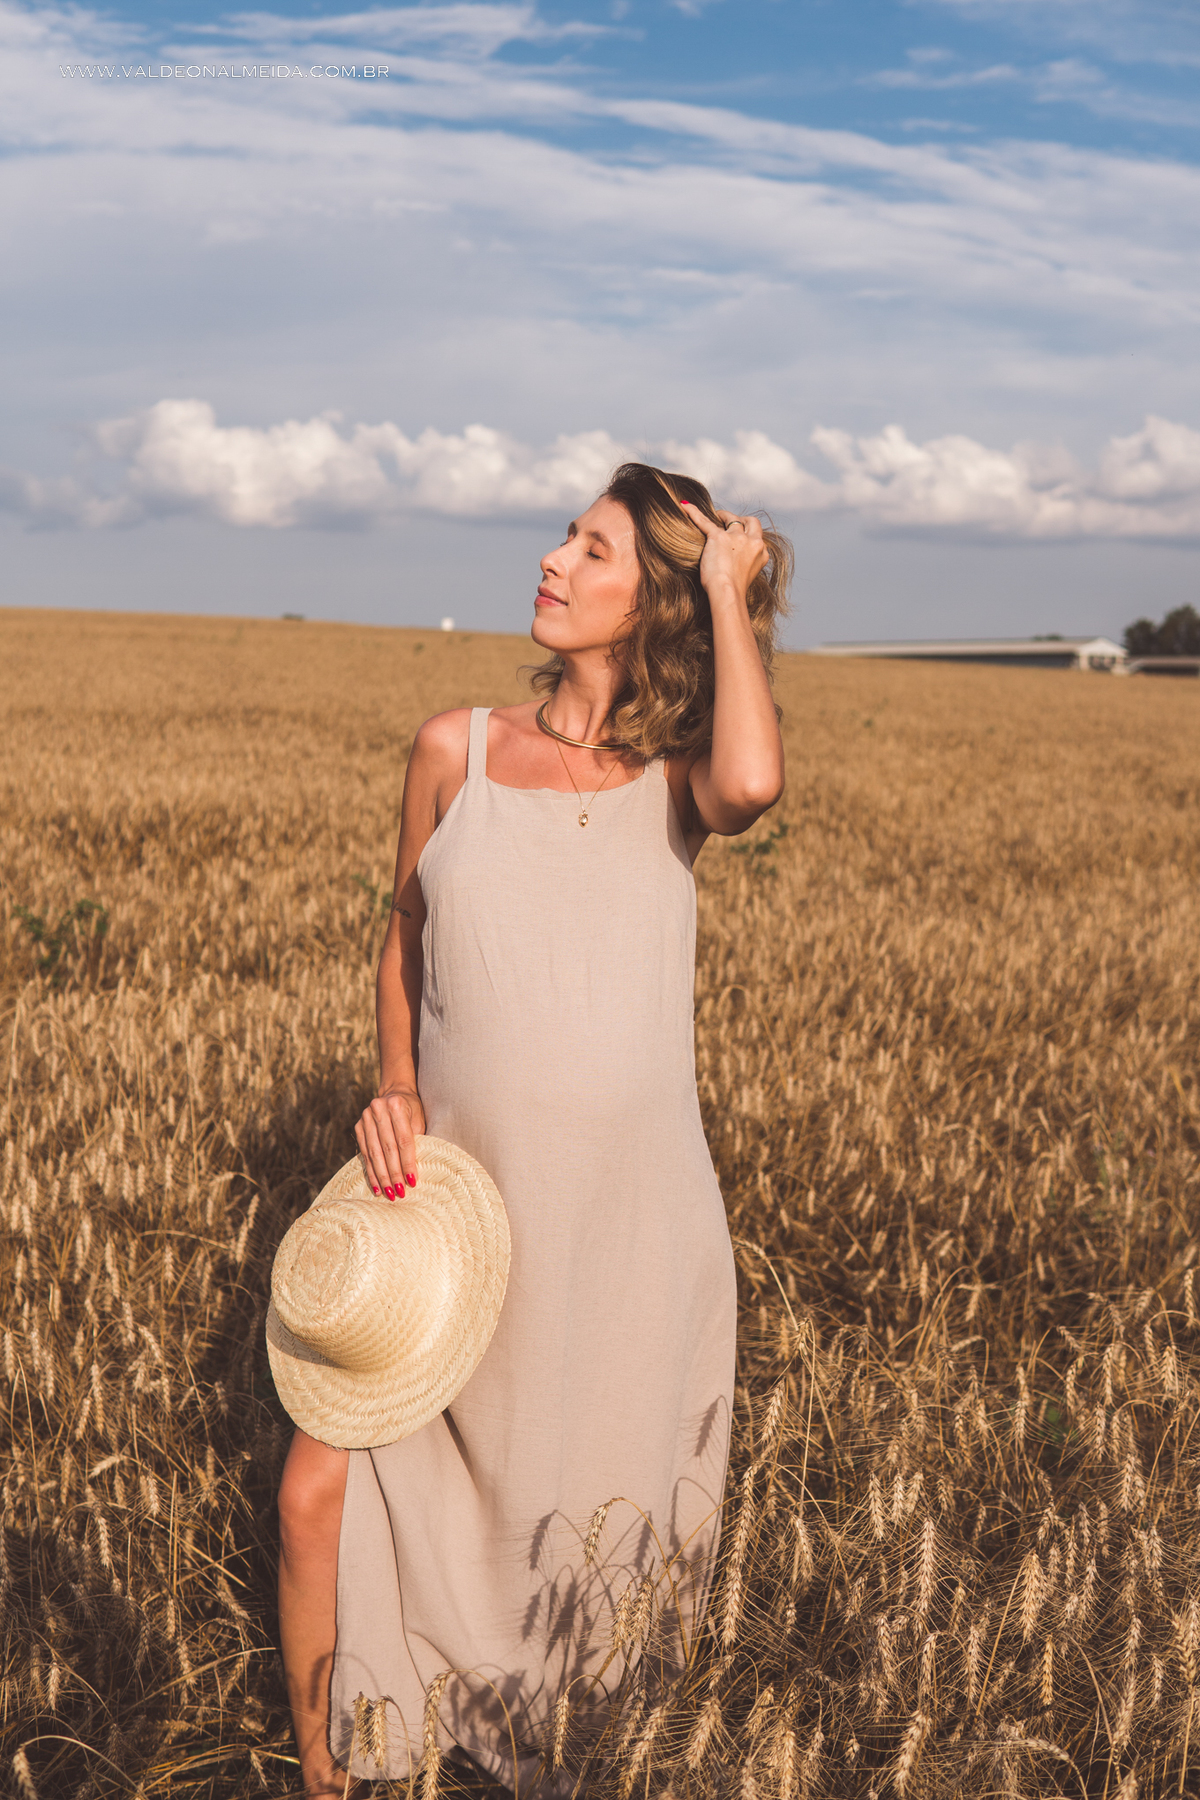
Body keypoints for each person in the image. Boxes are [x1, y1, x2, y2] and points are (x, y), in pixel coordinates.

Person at [275, 462, 790, 1795]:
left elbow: (754, 782)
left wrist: (730, 594)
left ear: (651, 606)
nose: (555, 560)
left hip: (626, 1229)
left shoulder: (673, 781)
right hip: (452, 1219)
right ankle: (334, 1773)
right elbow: (404, 933)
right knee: (317, 1495)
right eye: (565, 535)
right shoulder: (455, 747)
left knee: (589, 1544)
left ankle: (551, 1756)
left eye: (597, 550)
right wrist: (393, 1080)